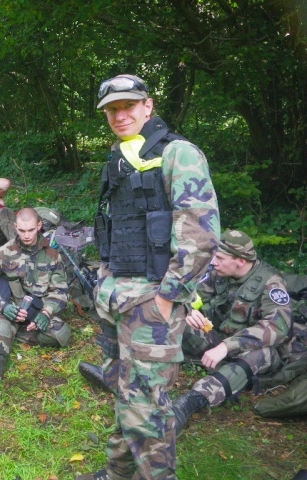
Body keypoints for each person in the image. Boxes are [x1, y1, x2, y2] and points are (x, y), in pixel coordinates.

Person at [77, 74, 220, 480]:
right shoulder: (120, 157)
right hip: (117, 297)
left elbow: (202, 234)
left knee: (146, 408)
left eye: (127, 106)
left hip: (151, 303)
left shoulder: (179, 154)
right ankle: (119, 474)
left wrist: (167, 298)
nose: (119, 115)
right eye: (111, 110)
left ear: (148, 106)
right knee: (128, 395)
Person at [172, 230, 295, 431]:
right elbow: (192, 296)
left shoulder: (271, 284)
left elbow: (277, 328)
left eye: (220, 258)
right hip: (220, 340)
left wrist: (228, 346)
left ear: (240, 260)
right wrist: (188, 311)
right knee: (176, 318)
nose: (214, 262)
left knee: (258, 355)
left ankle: (192, 401)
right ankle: (138, 366)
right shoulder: (218, 274)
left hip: (257, 351)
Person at [0, 207, 71, 394]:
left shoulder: (53, 255)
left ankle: (5, 335)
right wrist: (2, 306)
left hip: (36, 311)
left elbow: (61, 291)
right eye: (22, 230)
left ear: (39, 226)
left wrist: (46, 313)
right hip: (9, 307)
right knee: (0, 327)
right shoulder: (4, 252)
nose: (26, 235)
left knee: (61, 334)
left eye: (31, 230)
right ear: (16, 227)